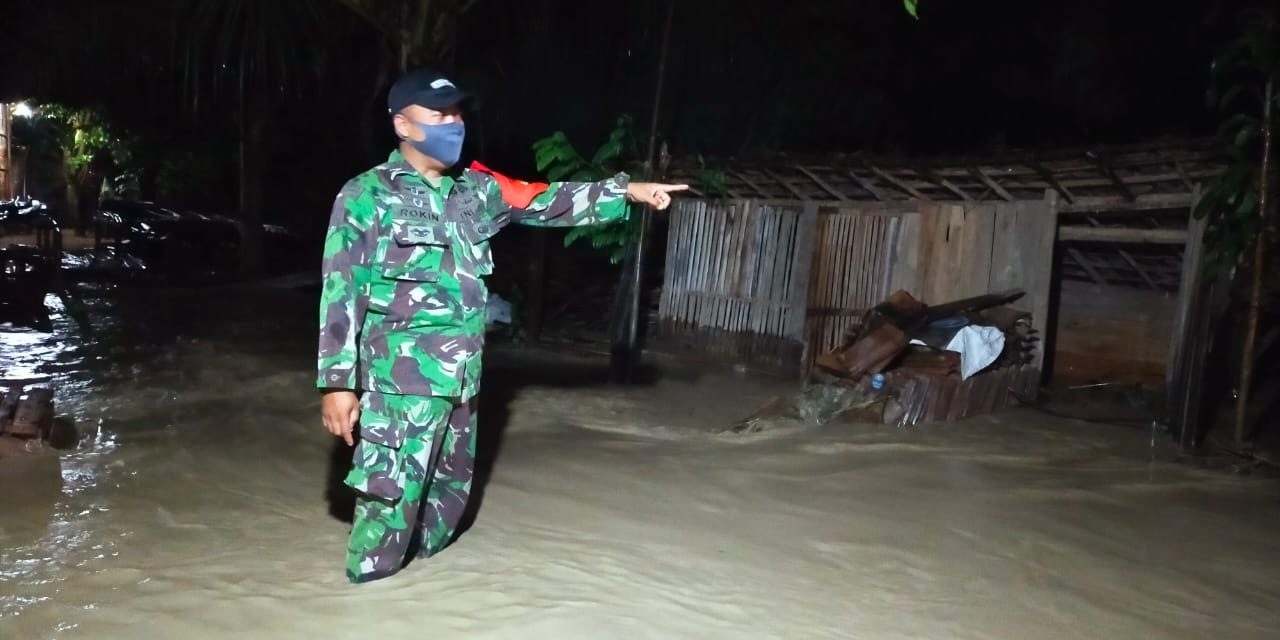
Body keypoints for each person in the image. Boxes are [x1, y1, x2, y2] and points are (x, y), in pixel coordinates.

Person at [317, 69, 688, 584]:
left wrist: (627, 192)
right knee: (387, 510)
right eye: (439, 116)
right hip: (400, 390)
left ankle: (425, 604)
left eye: (458, 115)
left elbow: (546, 199)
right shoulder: (364, 196)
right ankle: (366, 601)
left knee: (447, 504)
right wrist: (337, 383)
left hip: (464, 385)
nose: (454, 125)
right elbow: (341, 292)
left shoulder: (479, 189)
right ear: (403, 125)